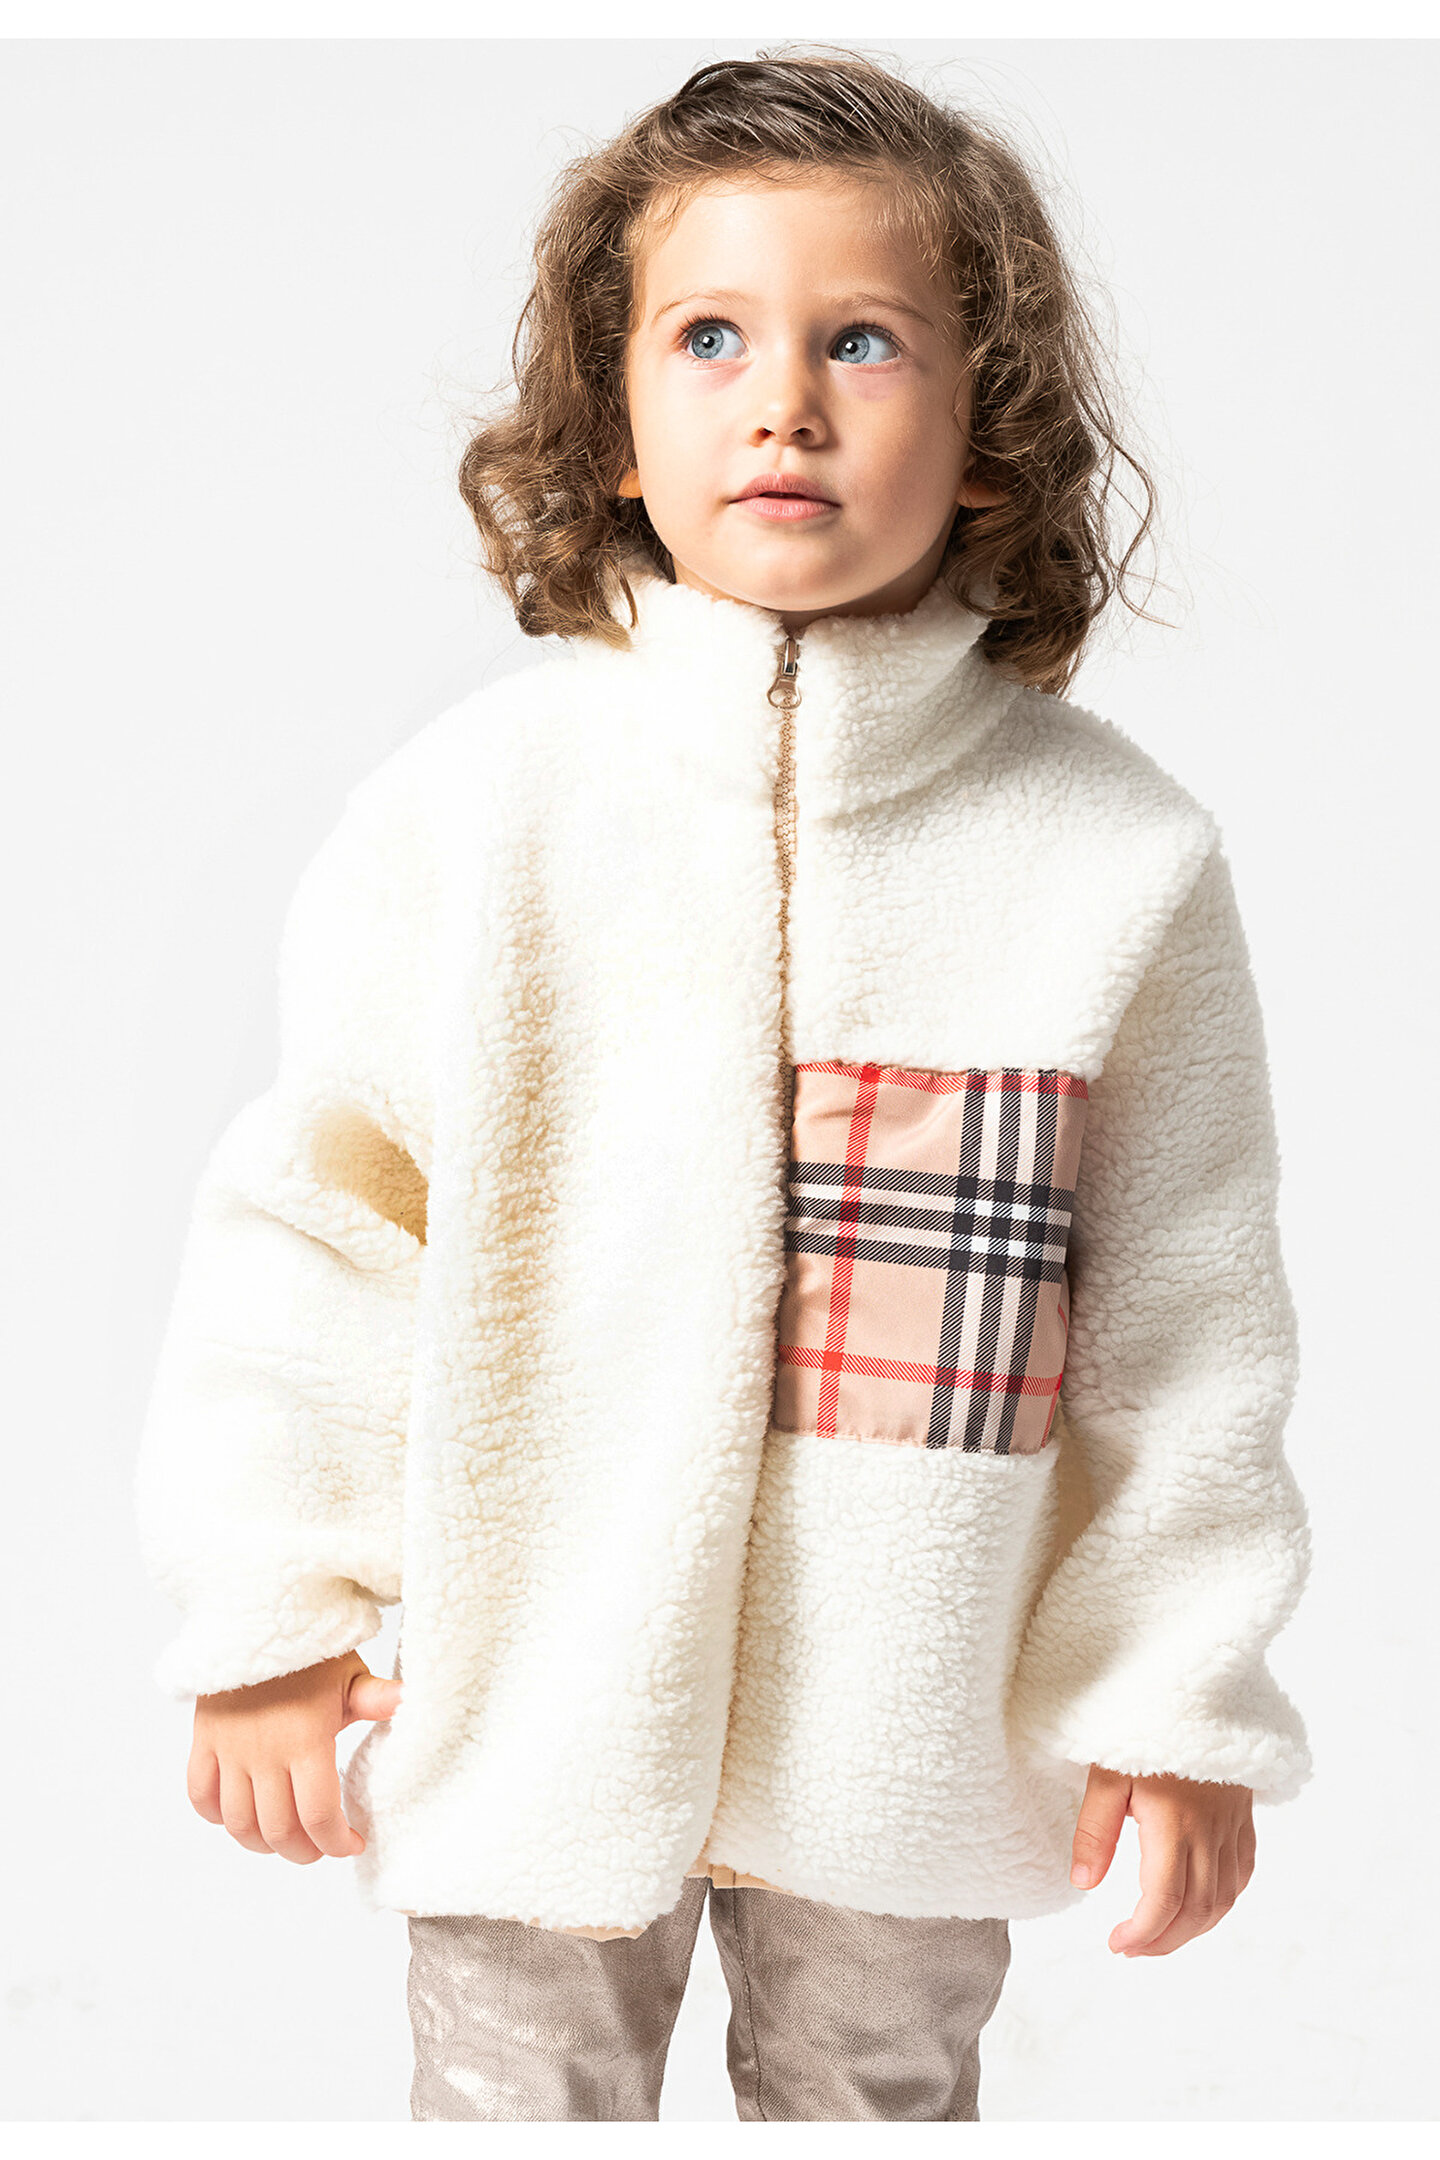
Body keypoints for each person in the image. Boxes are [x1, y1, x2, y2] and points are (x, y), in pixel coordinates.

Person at [134, 50, 1313, 2123]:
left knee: (876, 2108)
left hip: (910, 1725)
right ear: (610, 427)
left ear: (991, 432)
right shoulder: (478, 817)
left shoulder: (1113, 859)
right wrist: (271, 1608)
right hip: (533, 1696)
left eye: (863, 340)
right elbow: (319, 1229)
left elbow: (1191, 1325)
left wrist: (1178, 1697)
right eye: (709, 338)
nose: (785, 402)